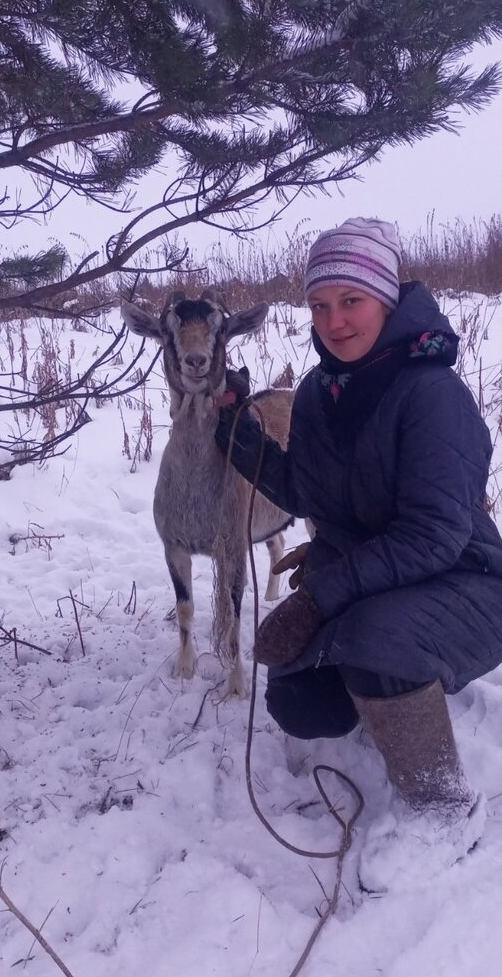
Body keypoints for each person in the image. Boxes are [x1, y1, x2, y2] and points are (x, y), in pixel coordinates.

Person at [215, 217, 502, 892]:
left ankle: (442, 806)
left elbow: (433, 536)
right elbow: (304, 488)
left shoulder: (430, 393)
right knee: (303, 701)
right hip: (377, 585)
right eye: (319, 304)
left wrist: (321, 596)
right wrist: (234, 422)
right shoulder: (322, 391)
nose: (334, 321)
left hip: (469, 585)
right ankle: (397, 694)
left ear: (384, 299)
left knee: (375, 642)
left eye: (351, 301)